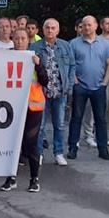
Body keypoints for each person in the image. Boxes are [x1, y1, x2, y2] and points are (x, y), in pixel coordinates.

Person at [0, 27, 48, 193]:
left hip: (32, 107)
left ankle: (34, 179)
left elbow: (45, 80)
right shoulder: (6, 57)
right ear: (12, 39)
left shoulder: (35, 57)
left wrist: (39, 66)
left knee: (30, 143)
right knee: (12, 143)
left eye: (23, 39)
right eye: (17, 38)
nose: (20, 42)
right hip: (11, 107)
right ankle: (10, 178)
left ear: (29, 41)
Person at [68, 16, 109, 160]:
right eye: (84, 25)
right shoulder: (74, 44)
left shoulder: (105, 44)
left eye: (89, 25)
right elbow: (71, 64)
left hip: (99, 86)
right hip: (80, 86)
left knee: (101, 119)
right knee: (76, 118)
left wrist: (104, 84)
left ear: (95, 26)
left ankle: (103, 149)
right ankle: (73, 148)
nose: (86, 28)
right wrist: (75, 81)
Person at [36, 18, 74, 166]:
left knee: (59, 125)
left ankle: (58, 153)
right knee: (40, 125)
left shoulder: (65, 46)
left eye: (53, 28)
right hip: (41, 92)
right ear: (43, 30)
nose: (50, 30)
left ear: (58, 30)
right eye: (47, 28)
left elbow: (72, 66)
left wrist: (69, 86)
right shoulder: (36, 46)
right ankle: (38, 153)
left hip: (60, 91)